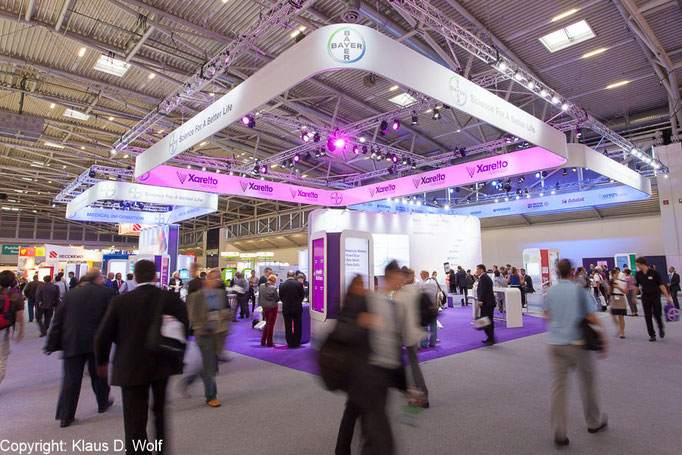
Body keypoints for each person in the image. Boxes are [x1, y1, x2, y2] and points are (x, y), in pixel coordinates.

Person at [95, 260, 189, 454]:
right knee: (160, 410)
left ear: (135, 277)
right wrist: (178, 357)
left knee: (133, 417)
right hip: (161, 362)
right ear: (155, 276)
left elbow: (103, 335)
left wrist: (102, 361)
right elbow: (184, 328)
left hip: (130, 365)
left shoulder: (120, 301)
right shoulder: (169, 298)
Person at [336, 263, 405, 455]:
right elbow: (342, 334)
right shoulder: (361, 304)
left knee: (367, 424)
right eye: (358, 285)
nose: (362, 288)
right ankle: (342, 450)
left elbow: (393, 345)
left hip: (375, 376)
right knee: (376, 435)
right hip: (363, 374)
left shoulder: (386, 304)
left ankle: (342, 450)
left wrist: (404, 384)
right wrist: (361, 323)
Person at [544, 259, 608, 448]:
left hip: (555, 344)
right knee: (588, 384)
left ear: (557, 272)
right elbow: (592, 317)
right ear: (572, 272)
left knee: (558, 389)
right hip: (578, 344)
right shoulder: (580, 291)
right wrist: (603, 339)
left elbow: (548, 315)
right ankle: (593, 423)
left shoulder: (551, 292)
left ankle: (559, 433)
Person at [47, 271, 114, 428]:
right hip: (97, 341)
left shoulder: (71, 295)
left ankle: (66, 416)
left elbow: (58, 319)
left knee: (71, 379)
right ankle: (103, 402)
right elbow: (111, 318)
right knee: (99, 373)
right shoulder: (105, 292)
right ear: (97, 279)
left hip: (72, 341)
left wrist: (51, 343)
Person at [184, 268, 230, 407]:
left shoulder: (221, 294)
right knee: (209, 365)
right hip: (204, 334)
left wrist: (225, 316)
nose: (216, 281)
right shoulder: (196, 296)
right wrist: (200, 328)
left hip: (218, 333)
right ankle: (211, 396)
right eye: (214, 278)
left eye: (218, 278)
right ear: (207, 279)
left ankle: (188, 381)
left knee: (210, 365)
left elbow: (226, 310)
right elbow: (191, 316)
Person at [396, 269, 430, 408]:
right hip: (416, 332)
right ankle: (420, 395)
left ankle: (418, 395)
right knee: (412, 364)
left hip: (406, 334)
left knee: (410, 366)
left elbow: (398, 318)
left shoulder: (400, 295)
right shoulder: (416, 290)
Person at [634, 257, 672, 342]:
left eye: (638, 265)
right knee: (647, 316)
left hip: (655, 296)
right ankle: (652, 335)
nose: (637, 266)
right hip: (645, 297)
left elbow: (661, 285)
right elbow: (636, 286)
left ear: (642, 264)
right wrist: (633, 297)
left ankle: (661, 327)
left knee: (657, 314)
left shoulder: (654, 273)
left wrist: (667, 296)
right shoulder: (638, 274)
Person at [0, 270, 25, 387]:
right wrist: (21, 331)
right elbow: (20, 316)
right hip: (4, 330)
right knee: (2, 359)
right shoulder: (15, 296)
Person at [279, 271, 305, 348]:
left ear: (287, 276)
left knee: (288, 326)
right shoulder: (299, 284)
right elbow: (302, 296)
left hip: (286, 308)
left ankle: (290, 342)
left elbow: (281, 297)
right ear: (294, 276)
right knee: (298, 325)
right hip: (297, 308)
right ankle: (297, 342)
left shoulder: (282, 285)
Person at [475, 264, 496, 346]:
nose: (477, 271)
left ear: (482, 270)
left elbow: (483, 290)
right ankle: (490, 338)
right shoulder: (486, 277)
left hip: (487, 303)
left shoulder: (483, 278)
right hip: (489, 302)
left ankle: (491, 338)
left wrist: (481, 300)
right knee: (488, 320)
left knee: (486, 321)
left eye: (478, 269)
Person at [420, 270, 439, 350]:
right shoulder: (434, 282)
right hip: (435, 306)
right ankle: (433, 342)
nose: (421, 277)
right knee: (433, 325)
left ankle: (424, 343)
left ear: (424, 275)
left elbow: (424, 297)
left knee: (424, 326)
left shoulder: (425, 284)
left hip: (426, 308)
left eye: (421, 275)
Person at [259, 274, 279, 347]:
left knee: (267, 323)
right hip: (272, 307)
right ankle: (270, 342)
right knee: (271, 325)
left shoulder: (261, 286)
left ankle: (263, 340)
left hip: (264, 307)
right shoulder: (273, 288)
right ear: (274, 281)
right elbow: (277, 299)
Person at [608, 269, 628, 339]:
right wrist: (610, 288)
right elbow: (609, 291)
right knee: (613, 316)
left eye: (617, 273)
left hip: (621, 298)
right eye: (615, 273)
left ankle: (622, 332)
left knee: (621, 316)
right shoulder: (611, 281)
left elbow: (626, 291)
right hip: (613, 298)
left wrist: (618, 287)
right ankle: (618, 327)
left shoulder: (622, 282)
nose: (616, 275)